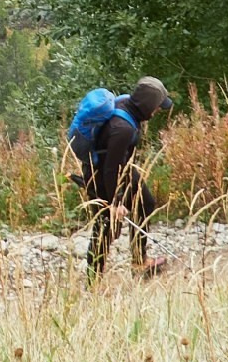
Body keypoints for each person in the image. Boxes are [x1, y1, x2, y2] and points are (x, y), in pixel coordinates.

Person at [72, 78, 171, 277]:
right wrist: (115, 202)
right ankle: (93, 282)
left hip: (120, 167)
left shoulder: (127, 103)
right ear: (147, 106)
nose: (158, 110)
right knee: (106, 226)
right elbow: (110, 169)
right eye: (158, 106)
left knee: (145, 203)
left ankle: (139, 262)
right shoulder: (123, 129)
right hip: (100, 173)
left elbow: (118, 161)